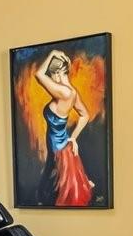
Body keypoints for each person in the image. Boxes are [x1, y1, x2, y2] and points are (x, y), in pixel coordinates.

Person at [33, 50, 95, 206]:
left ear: (58, 73)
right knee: (52, 185)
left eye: (52, 75)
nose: (52, 79)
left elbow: (39, 75)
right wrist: (73, 137)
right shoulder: (72, 92)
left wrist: (52, 53)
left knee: (58, 190)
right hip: (61, 145)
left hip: (58, 148)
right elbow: (85, 115)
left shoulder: (64, 93)